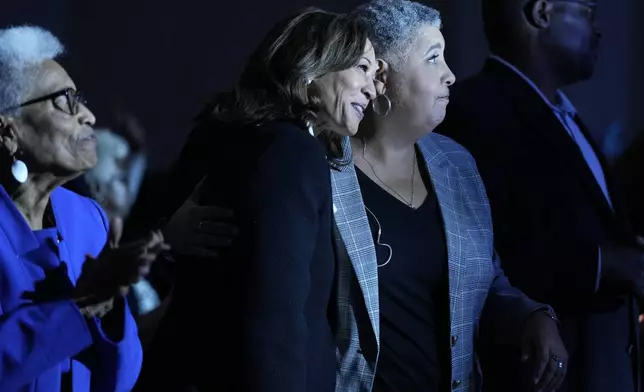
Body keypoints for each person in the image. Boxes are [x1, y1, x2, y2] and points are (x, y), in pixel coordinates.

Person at [324, 1, 566, 391]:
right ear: (382, 76)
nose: (451, 76)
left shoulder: (456, 163)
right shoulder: (323, 168)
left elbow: (483, 277)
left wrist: (532, 315)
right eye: (434, 59)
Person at [148, 8, 380, 392]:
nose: (372, 89)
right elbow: (275, 315)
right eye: (362, 68)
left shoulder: (229, 135)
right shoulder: (291, 152)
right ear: (312, 68)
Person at [436, 0, 641, 391]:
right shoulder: (476, 111)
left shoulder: (566, 116)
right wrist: (602, 263)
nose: (597, 30)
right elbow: (478, 251)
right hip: (543, 374)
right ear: (542, 13)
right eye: (586, 13)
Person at [0, 25, 168, 391]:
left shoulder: (88, 217)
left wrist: (110, 303)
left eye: (81, 99)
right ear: (8, 133)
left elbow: (122, 379)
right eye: (65, 101)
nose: (89, 116)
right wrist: (81, 306)